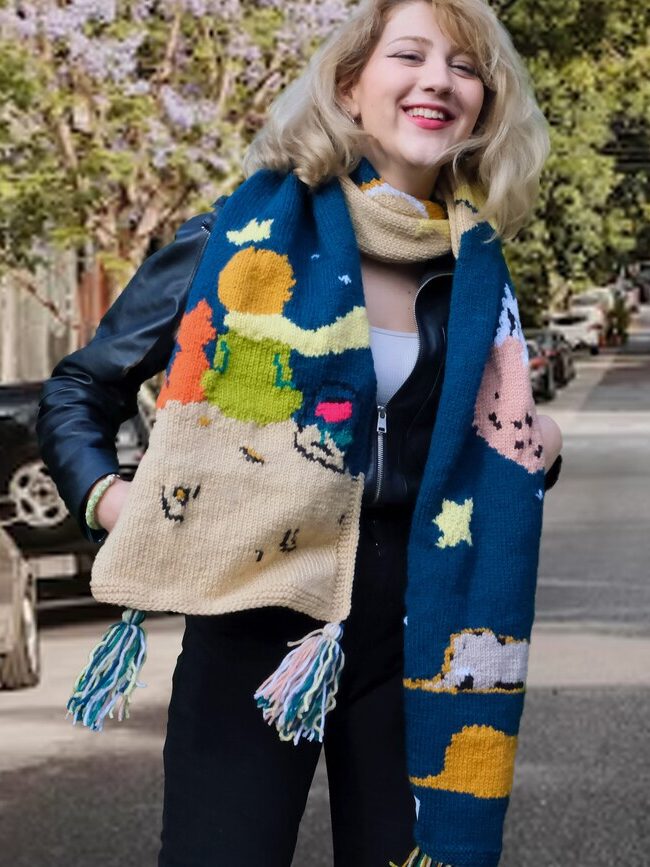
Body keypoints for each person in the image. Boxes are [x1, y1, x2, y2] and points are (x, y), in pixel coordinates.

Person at [37, 1, 564, 865]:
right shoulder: (238, 240)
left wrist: (538, 452)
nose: (439, 79)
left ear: (485, 105)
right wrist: (109, 497)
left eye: (466, 66)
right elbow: (78, 388)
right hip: (254, 611)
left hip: (420, 623)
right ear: (350, 86)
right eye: (412, 55)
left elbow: (488, 448)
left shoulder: (476, 275)